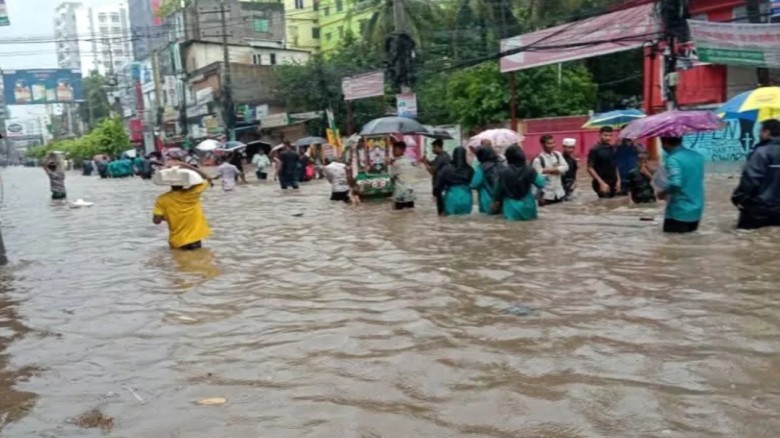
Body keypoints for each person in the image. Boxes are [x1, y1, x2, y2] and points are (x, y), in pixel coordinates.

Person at [731, 119, 780, 230]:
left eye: (760, 131)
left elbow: (751, 179)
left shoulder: (761, 152)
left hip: (759, 207)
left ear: (766, 132)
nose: (759, 134)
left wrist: (739, 197)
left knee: (746, 237)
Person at [152, 161, 212, 250]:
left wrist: (167, 216)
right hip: (194, 239)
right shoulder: (192, 194)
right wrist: (187, 166)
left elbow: (156, 221)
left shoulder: (161, 199)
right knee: (197, 257)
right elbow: (207, 178)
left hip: (177, 241)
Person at [656, 137, 705, 233]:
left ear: (665, 142)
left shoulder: (673, 159)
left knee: (671, 241)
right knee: (689, 240)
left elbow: (676, 183)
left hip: (678, 210)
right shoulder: (698, 156)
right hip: (696, 210)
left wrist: (663, 193)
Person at [492, 145, 546, 221]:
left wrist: (496, 201)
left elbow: (497, 191)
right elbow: (541, 183)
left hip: (511, 208)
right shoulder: (530, 170)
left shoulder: (503, 172)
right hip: (528, 206)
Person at [434, 146, 473, 216]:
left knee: (450, 219)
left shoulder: (446, 169)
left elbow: (438, 185)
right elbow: (474, 184)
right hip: (466, 198)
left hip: (451, 197)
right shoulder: (470, 170)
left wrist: (440, 208)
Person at [532, 134, 569, 206]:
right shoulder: (538, 160)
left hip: (560, 194)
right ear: (542, 145)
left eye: (553, 143)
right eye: (549, 143)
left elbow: (566, 167)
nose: (552, 145)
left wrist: (548, 170)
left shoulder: (558, 155)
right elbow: (536, 178)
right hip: (546, 196)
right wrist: (558, 169)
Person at [587, 126, 621, 198]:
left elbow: (615, 166)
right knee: (604, 201)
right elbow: (589, 168)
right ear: (600, 135)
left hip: (613, 182)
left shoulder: (612, 148)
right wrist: (601, 183)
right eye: (605, 135)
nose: (608, 138)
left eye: (610, 135)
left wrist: (618, 181)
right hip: (601, 182)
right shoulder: (595, 149)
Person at [470, 145, 504, 214]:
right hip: (501, 201)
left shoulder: (481, 168)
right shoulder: (501, 165)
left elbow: (474, 184)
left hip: (486, 200)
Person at [388, 141, 416, 210]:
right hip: (410, 193)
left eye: (394, 150)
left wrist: (389, 165)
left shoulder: (396, 163)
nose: (393, 153)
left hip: (400, 195)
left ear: (401, 150)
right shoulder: (410, 160)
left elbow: (391, 177)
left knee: (398, 214)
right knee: (410, 212)